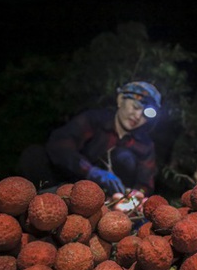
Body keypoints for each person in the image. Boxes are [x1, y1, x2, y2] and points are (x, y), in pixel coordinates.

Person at [18, 81, 161, 196]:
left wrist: (137, 194)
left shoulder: (145, 144)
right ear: (120, 100)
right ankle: (45, 198)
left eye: (145, 115)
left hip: (106, 198)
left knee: (124, 157)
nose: (138, 116)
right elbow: (59, 145)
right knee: (34, 154)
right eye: (135, 107)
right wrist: (90, 171)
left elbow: (145, 184)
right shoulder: (94, 120)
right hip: (68, 181)